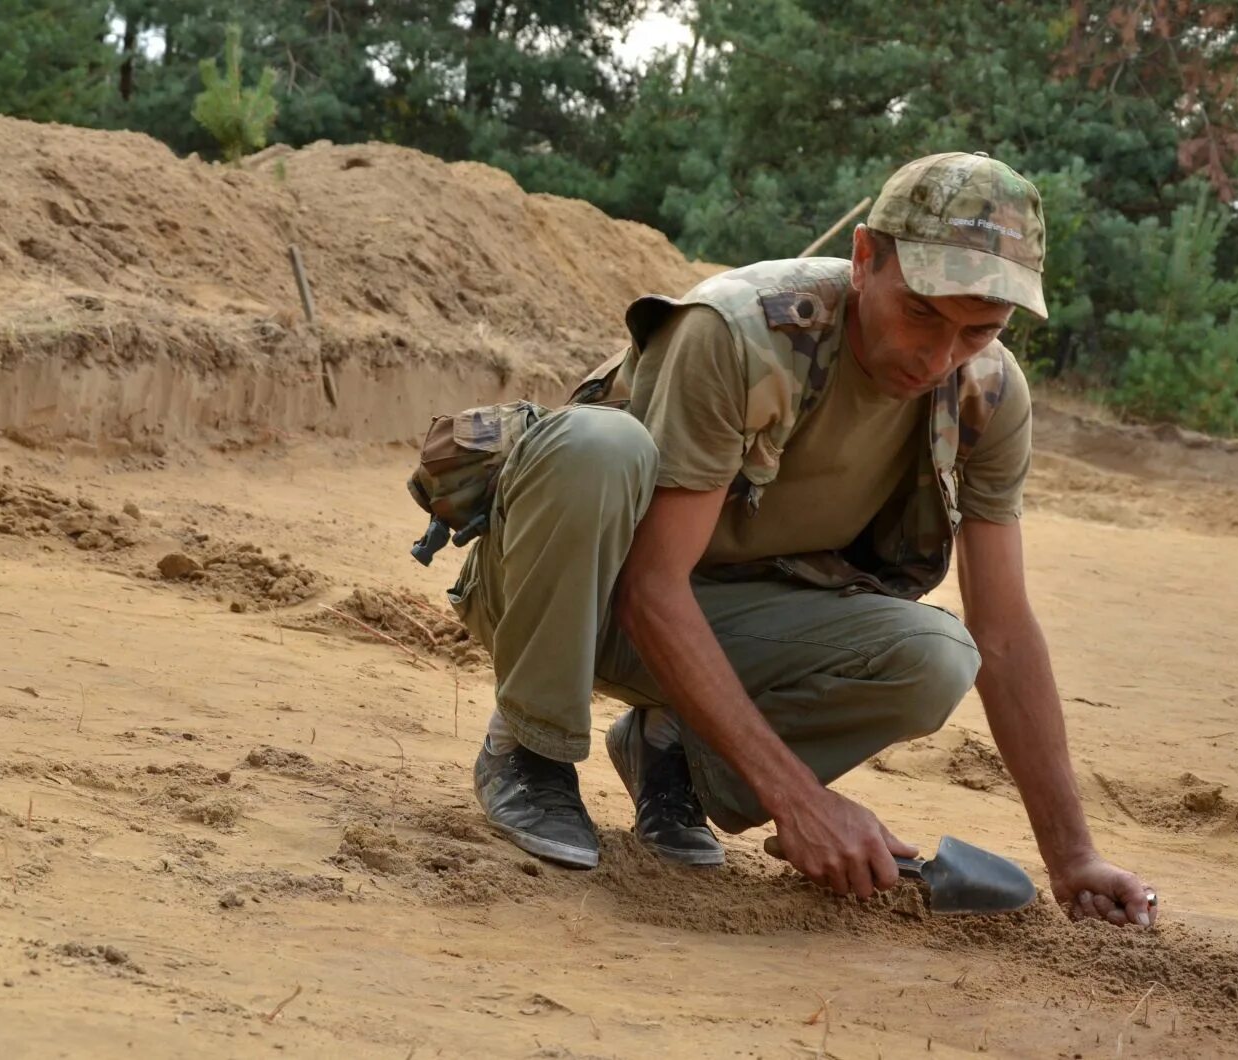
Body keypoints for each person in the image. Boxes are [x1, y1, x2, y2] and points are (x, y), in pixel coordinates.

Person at [447, 152, 1156, 928]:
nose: (940, 356)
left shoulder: (989, 394)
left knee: (937, 655)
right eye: (921, 313)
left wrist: (1072, 856)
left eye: (978, 330)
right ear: (863, 259)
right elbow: (651, 586)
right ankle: (531, 744)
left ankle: (672, 754)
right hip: (563, 598)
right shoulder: (740, 333)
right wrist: (801, 801)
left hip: (717, 629)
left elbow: (1005, 632)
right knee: (597, 447)